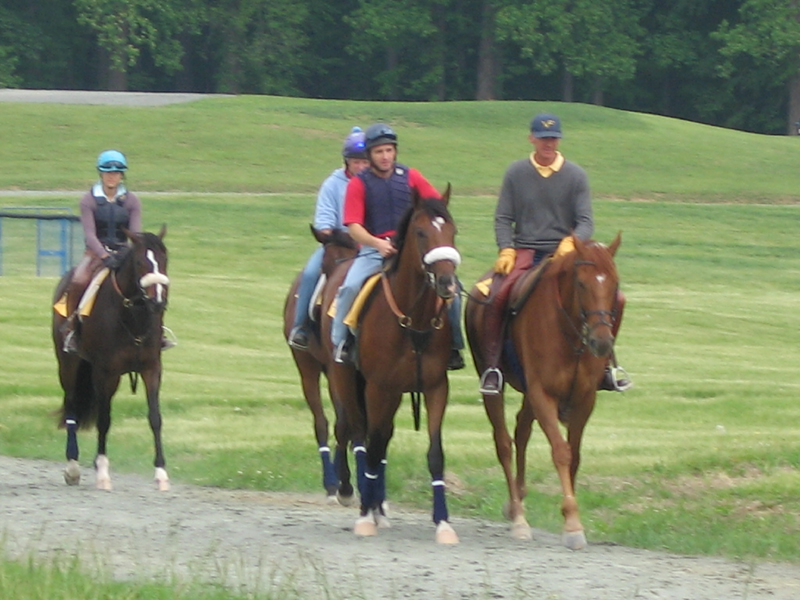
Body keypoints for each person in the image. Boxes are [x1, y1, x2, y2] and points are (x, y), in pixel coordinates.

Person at [478, 113, 631, 394]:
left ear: (558, 140)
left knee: (616, 298)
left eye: (553, 138)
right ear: (531, 139)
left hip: (568, 253)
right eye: (543, 138)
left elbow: (585, 221)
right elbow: (503, 217)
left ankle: (606, 365)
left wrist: (571, 243)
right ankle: (493, 367)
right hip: (526, 249)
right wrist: (506, 248)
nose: (548, 144)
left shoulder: (575, 175)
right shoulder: (516, 172)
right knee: (497, 295)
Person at [331, 123, 465, 369]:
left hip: (412, 249)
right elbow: (353, 227)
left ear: (395, 152)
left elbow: (435, 206)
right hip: (374, 250)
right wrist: (377, 243)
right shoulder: (359, 184)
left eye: (389, 150)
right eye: (379, 151)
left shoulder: (411, 176)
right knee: (350, 286)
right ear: (370, 155)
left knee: (454, 291)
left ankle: (454, 346)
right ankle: (342, 342)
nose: (385, 156)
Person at [61, 150, 173, 353]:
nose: (112, 176)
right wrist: (104, 256)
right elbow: (90, 235)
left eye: (117, 172)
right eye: (108, 172)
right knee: (78, 280)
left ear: (122, 175)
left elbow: (136, 235)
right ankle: (72, 330)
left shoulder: (132, 201)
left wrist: (124, 254)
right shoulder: (88, 200)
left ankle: (158, 332)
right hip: (95, 254)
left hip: (124, 252)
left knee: (151, 284)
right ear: (101, 174)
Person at [287, 127, 371, 350]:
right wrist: (344, 237)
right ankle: (301, 327)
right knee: (311, 273)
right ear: (347, 162)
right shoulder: (332, 185)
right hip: (339, 245)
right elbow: (324, 224)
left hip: (373, 246)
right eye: (356, 162)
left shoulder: (378, 183)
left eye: (365, 162)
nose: (361, 167)